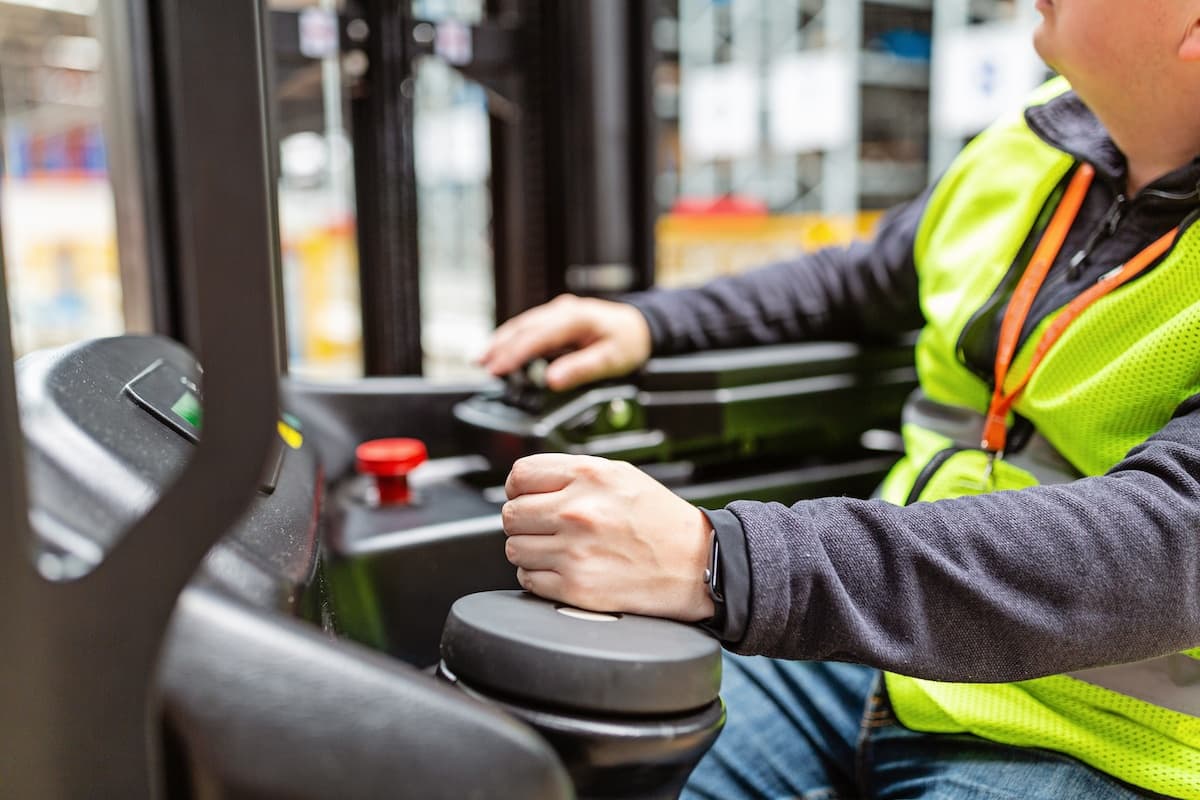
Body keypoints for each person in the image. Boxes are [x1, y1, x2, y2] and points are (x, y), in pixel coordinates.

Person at [480, 1, 1200, 797]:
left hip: (1088, 737)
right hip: (870, 662)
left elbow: (1169, 544)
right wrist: (649, 323)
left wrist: (719, 563)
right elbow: (856, 280)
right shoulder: (1029, 151)